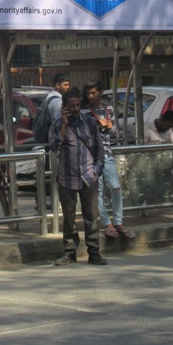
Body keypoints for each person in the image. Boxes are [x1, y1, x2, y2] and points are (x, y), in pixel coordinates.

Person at [51, 88, 107, 266]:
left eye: (78, 105)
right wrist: (63, 126)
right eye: (71, 106)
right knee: (69, 218)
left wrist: (97, 170)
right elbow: (53, 147)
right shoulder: (57, 124)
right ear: (64, 107)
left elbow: (100, 149)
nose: (75, 109)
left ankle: (94, 253)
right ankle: (69, 253)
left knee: (91, 218)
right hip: (67, 177)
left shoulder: (89, 122)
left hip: (88, 176)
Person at [81, 80, 134, 240]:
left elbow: (114, 132)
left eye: (93, 93)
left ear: (100, 92)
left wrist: (109, 127)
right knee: (98, 190)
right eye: (88, 93)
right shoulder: (85, 111)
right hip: (92, 155)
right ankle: (106, 222)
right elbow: (84, 135)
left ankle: (118, 221)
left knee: (115, 187)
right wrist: (97, 126)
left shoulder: (109, 109)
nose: (91, 96)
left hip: (107, 152)